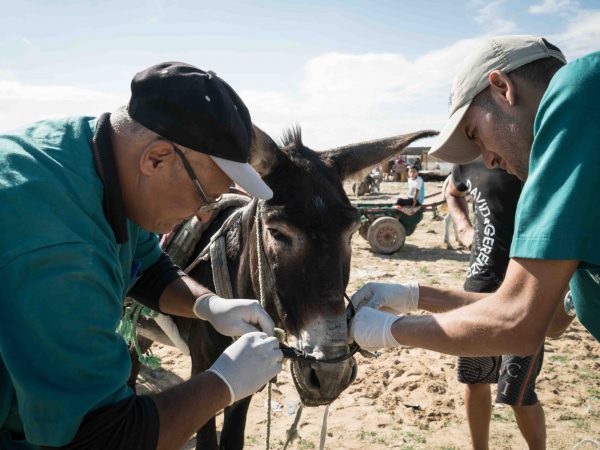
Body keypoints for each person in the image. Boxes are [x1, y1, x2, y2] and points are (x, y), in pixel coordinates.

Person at [0, 62, 283, 450]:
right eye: (206, 196)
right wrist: (224, 383)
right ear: (157, 158)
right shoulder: (60, 252)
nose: (204, 214)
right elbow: (102, 436)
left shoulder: (99, 154)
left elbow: (146, 265)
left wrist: (209, 305)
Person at [350, 34, 596, 419]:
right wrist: (412, 295)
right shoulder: (583, 173)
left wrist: (389, 330)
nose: (489, 160)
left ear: (502, 88)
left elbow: (518, 322)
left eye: (474, 134)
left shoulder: (577, 93)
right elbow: (547, 321)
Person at [446, 159, 547, 450]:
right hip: (478, 288)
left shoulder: (530, 154)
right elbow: (452, 192)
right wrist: (464, 228)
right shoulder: (466, 161)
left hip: (525, 291)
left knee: (518, 393)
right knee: (475, 380)